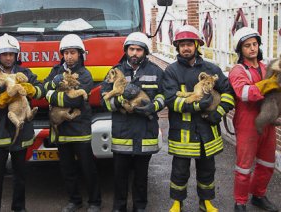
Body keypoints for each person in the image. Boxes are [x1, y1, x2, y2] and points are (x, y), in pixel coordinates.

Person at [163, 25, 235, 212]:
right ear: (177, 48)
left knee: (207, 170)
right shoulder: (171, 71)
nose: (186, 48)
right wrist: (196, 105)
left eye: (189, 44)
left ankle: (206, 202)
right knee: (179, 171)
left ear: (197, 45)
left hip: (207, 130)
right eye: (182, 45)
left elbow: (228, 94)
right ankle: (177, 203)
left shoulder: (211, 68)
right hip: (182, 132)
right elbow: (171, 101)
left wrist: (218, 113)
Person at [101, 32, 166, 212]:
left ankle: (140, 207)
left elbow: (164, 95)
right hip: (123, 132)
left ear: (145, 51)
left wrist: (153, 106)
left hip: (145, 132)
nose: (135, 53)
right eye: (131, 49)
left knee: (141, 175)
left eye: (138, 49)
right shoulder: (115, 71)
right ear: (126, 50)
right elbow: (104, 100)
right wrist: (120, 101)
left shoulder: (156, 71)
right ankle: (118, 207)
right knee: (119, 175)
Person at [0, 33, 43, 212]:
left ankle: (19, 208)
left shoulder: (26, 73)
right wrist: (2, 99)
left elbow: (40, 91)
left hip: (21, 131)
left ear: (17, 55)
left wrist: (31, 89)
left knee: (20, 175)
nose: (8, 57)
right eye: (4, 54)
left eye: (11, 54)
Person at [43, 34, 101, 212]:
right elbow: (44, 87)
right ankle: (74, 200)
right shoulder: (56, 71)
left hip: (80, 129)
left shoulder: (85, 74)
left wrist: (53, 96)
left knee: (87, 168)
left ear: (80, 54)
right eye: (66, 53)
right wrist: (52, 83)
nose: (69, 56)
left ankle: (95, 202)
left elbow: (75, 101)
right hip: (62, 130)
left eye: (73, 53)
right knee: (67, 170)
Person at [229, 27, 279, 212]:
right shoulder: (238, 70)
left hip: (268, 123)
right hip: (247, 123)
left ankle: (259, 195)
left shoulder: (266, 67)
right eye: (247, 46)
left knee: (267, 163)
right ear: (240, 50)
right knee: (244, 167)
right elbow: (244, 93)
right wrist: (268, 84)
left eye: (255, 44)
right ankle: (240, 202)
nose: (252, 49)